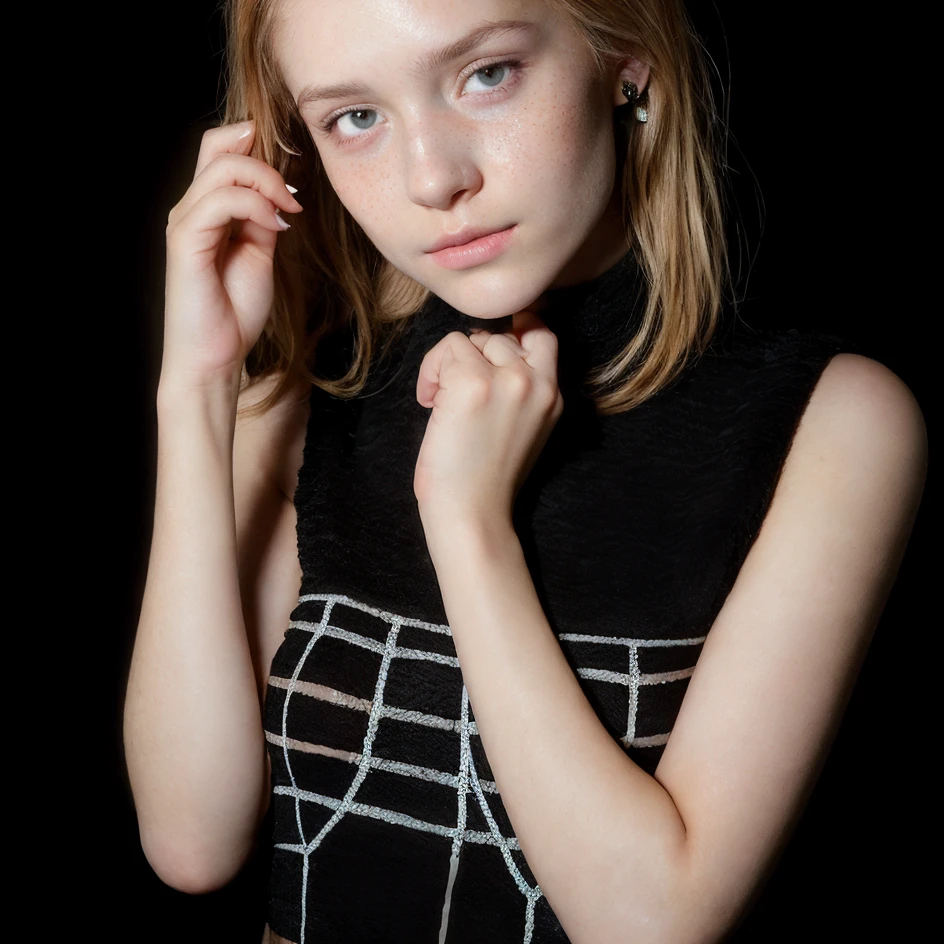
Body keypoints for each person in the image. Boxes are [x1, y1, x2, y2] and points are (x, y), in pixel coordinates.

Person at [123, 0, 927, 942]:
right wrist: (200, 388)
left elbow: (650, 925)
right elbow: (191, 841)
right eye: (356, 117)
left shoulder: (833, 423)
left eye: (487, 74)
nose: (432, 178)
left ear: (628, 59)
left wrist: (468, 525)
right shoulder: (310, 397)